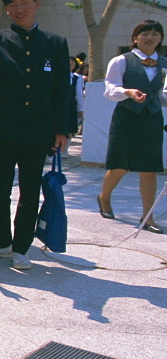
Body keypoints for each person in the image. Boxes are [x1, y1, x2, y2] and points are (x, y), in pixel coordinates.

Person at [0, 0, 70, 270]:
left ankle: (22, 247)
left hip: (38, 133)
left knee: (29, 191)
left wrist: (62, 130)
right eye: (12, 4)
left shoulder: (55, 43)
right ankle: (1, 243)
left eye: (24, 2)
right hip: (1, 130)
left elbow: (62, 90)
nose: (18, 9)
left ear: (36, 4)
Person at [96, 20, 167, 234]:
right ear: (135, 38)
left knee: (150, 169)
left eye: (155, 33)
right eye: (144, 33)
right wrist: (127, 92)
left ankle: (148, 216)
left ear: (161, 39)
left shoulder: (164, 64)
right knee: (119, 166)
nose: (150, 37)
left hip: (152, 119)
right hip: (126, 117)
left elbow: (164, 93)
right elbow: (109, 90)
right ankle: (104, 197)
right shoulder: (121, 61)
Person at [68, 56, 84, 138]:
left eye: (72, 62)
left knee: (70, 129)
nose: (70, 64)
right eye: (68, 62)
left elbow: (79, 94)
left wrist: (81, 108)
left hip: (71, 105)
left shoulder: (77, 78)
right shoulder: (57, 76)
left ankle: (65, 149)